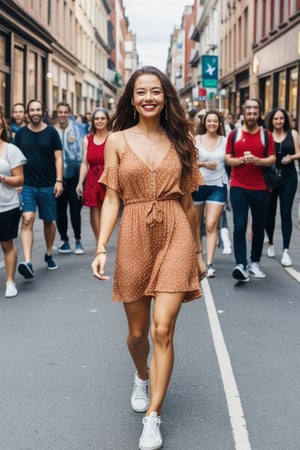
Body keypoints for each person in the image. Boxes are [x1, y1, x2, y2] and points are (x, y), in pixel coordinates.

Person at [91, 65, 206, 450]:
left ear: (166, 96)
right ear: (132, 98)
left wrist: (198, 252)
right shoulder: (118, 141)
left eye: (155, 91)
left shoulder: (182, 140)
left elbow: (189, 203)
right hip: (136, 232)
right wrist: (102, 246)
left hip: (175, 231)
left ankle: (153, 416)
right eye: (141, 92)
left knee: (162, 329)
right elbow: (111, 198)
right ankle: (142, 374)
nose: (149, 98)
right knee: (138, 333)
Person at [225, 98, 276, 282]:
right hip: (238, 185)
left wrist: (257, 161)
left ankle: (255, 262)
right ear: (243, 111)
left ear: (259, 113)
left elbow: (272, 158)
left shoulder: (266, 135)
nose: (252, 113)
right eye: (249, 109)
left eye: (255, 109)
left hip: (261, 187)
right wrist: (238, 161)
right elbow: (227, 158)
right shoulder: (234, 134)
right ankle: (241, 264)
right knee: (239, 225)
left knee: (258, 226)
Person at [15, 99, 63, 278]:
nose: (35, 112)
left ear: (43, 111)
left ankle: (49, 253)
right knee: (27, 218)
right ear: (28, 112)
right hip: (27, 184)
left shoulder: (51, 133)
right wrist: (17, 182)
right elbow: (15, 160)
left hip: (48, 184)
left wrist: (59, 180)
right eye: (32, 110)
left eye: (38, 109)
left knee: (49, 221)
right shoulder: (20, 134)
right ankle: (27, 261)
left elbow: (59, 158)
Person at [192, 110, 228, 278]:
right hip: (198, 185)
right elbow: (190, 162)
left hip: (218, 186)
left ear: (220, 123)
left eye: (215, 121)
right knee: (196, 224)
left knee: (211, 224)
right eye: (209, 121)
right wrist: (206, 164)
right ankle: (198, 257)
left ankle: (210, 263)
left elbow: (231, 159)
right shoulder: (196, 139)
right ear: (204, 123)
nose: (212, 124)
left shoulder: (225, 141)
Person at [265, 108, 300, 266]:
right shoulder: (267, 135)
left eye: (281, 118)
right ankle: (271, 242)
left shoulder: (292, 134)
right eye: (276, 119)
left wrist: (291, 157)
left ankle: (286, 250)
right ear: (271, 120)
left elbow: (299, 153)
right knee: (270, 212)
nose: (279, 121)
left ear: (285, 119)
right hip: (272, 178)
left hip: (289, 178)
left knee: (286, 212)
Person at [0, 112, 26, 297]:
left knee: (7, 244)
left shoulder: (11, 150)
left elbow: (20, 179)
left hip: (6, 205)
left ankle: (10, 281)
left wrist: (3, 178)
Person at [76, 108, 111, 241]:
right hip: (92, 179)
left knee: (107, 211)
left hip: (108, 178)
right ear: (92, 121)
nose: (99, 121)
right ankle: (99, 243)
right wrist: (80, 182)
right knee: (94, 210)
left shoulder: (112, 138)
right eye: (96, 119)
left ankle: (104, 239)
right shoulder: (87, 139)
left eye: (102, 118)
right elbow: (85, 163)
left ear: (107, 120)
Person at [54, 102, 84, 254]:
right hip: (57, 176)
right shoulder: (52, 130)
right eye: (60, 112)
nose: (63, 115)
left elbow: (84, 154)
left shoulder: (78, 130)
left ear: (69, 113)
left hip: (75, 174)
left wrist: (81, 180)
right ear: (57, 113)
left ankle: (78, 240)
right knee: (60, 210)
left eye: (65, 112)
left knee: (75, 209)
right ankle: (64, 240)